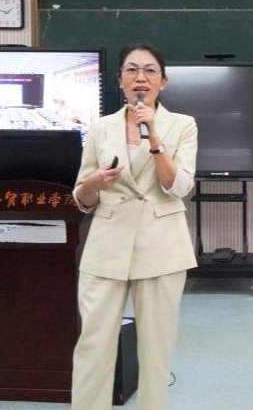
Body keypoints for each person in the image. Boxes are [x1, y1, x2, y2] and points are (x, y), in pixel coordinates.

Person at [70, 44, 198, 410]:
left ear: (163, 82)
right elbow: (81, 198)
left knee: (156, 349)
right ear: (120, 81)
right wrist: (95, 182)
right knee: (93, 344)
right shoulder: (100, 127)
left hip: (162, 246)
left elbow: (180, 187)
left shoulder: (182, 125)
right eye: (131, 70)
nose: (140, 77)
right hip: (106, 245)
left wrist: (154, 139)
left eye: (149, 70)